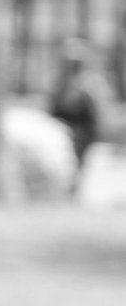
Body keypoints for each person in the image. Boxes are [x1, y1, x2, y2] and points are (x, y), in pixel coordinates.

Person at [48, 37, 107, 194]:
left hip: (80, 135)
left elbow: (93, 116)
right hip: (61, 134)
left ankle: (72, 191)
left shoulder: (90, 84)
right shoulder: (60, 84)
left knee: (77, 169)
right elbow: (52, 110)